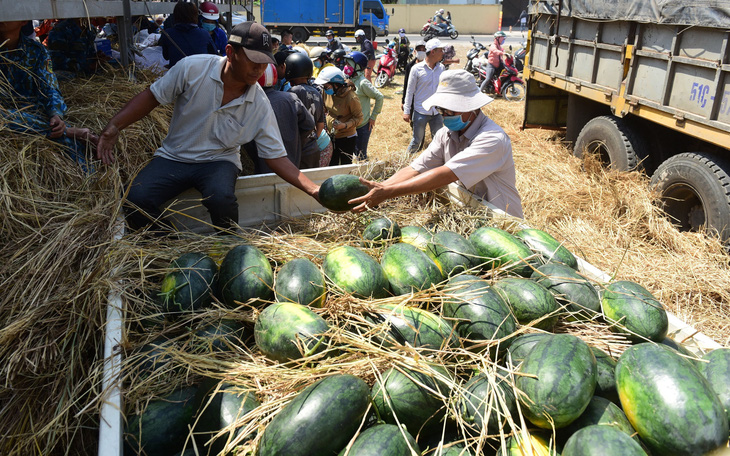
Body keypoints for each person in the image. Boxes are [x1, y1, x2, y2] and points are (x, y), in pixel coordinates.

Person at [95, 22, 321, 233]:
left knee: (221, 198)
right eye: (253, 60)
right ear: (231, 53)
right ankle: (169, 245)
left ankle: (230, 245)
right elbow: (152, 97)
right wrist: (114, 126)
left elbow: (276, 157)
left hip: (219, 162)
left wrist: (314, 190)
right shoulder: (192, 69)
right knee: (135, 199)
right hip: (174, 156)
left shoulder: (259, 104)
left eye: (265, 62)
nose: (259, 69)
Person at [350, 70, 523, 218]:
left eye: (450, 109)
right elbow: (416, 168)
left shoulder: (492, 139)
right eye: (441, 109)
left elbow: (446, 174)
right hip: (474, 213)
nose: (445, 115)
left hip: (502, 219)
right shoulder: (445, 135)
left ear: (471, 107)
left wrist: (389, 192)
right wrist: (380, 188)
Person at [0, 20, 97, 168]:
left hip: (32, 116)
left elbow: (50, 87)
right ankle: (68, 131)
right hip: (5, 115)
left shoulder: (35, 51)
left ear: (24, 20)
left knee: (73, 148)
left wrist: (55, 114)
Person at [250, 64, 315, 173]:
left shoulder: (248, 103)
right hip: (292, 168)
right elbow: (309, 125)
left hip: (262, 169)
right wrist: (296, 142)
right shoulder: (290, 98)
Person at [403, 38, 445, 155]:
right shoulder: (416, 69)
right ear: (433, 52)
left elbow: (443, 90)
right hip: (420, 112)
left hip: (436, 113)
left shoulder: (441, 68)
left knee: (438, 142)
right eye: (440, 50)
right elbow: (409, 91)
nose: (442, 53)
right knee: (417, 141)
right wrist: (407, 111)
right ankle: (406, 161)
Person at [315, 67, 362, 166]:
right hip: (331, 134)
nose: (325, 89)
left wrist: (344, 125)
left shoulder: (351, 98)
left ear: (336, 85)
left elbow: (359, 118)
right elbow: (325, 107)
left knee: (345, 164)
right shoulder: (327, 92)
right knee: (332, 162)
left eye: (326, 87)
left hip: (347, 136)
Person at [286, 52, 326, 169]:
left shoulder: (292, 92)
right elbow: (320, 125)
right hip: (312, 148)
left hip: (296, 150)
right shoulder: (317, 93)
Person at [345, 51, 383, 161]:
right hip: (351, 125)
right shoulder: (350, 79)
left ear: (358, 66)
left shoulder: (362, 83)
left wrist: (373, 117)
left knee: (361, 156)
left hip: (362, 126)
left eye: (349, 64)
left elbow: (379, 97)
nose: (346, 67)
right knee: (352, 154)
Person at [159, 2, 216, 68]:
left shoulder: (168, 34)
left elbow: (166, 56)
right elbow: (214, 54)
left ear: (175, 16)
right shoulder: (204, 34)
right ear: (195, 15)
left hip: (177, 74)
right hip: (200, 74)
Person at [401, 40, 426, 110]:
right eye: (419, 50)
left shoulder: (430, 66)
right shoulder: (410, 66)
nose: (421, 51)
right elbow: (406, 84)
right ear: (415, 51)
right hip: (413, 99)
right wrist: (403, 101)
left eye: (423, 50)